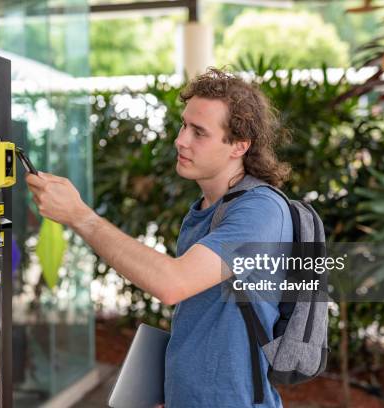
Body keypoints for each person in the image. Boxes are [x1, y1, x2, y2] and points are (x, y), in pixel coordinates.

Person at [26, 68, 293, 407]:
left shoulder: (262, 212)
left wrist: (81, 217)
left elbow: (172, 283)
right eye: (184, 125)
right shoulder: (204, 210)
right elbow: (202, 319)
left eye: (199, 132)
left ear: (239, 146)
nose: (181, 140)